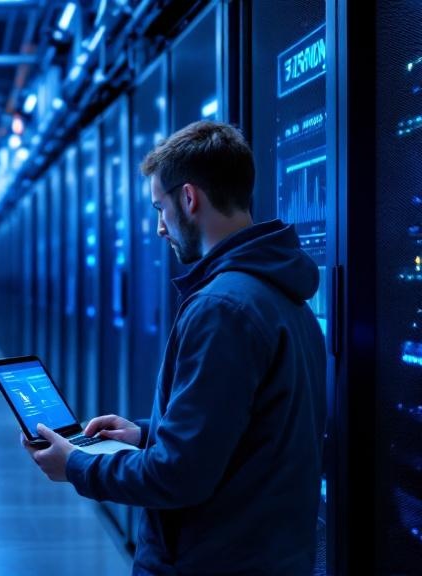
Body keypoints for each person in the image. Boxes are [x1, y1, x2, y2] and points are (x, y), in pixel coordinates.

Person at [23, 121, 326, 575]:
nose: (160, 228)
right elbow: (244, 432)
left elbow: (178, 476)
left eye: (160, 209)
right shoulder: (285, 295)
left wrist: (77, 466)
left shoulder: (222, 308)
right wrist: (146, 434)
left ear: (188, 198)